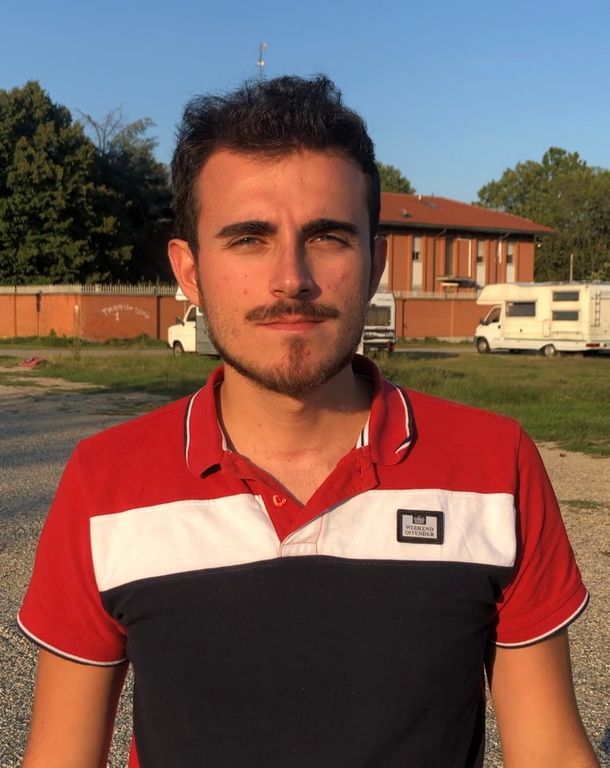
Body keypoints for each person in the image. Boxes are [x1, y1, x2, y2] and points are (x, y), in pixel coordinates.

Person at [19, 75, 599, 768]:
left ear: (376, 261)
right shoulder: (105, 479)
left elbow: (551, 751)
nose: (291, 278)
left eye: (327, 236)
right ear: (189, 270)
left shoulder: (494, 464)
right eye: (248, 239)